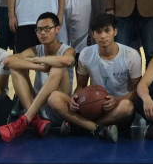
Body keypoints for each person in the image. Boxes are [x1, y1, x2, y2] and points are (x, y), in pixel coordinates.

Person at [47, 14, 141, 142]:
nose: (103, 36)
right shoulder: (86, 54)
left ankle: (80, 126)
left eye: (107, 31)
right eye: (98, 32)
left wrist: (116, 100)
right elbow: (81, 85)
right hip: (91, 105)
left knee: (127, 107)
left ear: (115, 31)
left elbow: (137, 91)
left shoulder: (131, 55)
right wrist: (76, 97)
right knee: (54, 98)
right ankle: (96, 128)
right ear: (93, 34)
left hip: (116, 109)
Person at [0, 12, 75, 142]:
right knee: (16, 68)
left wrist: (37, 59)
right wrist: (40, 67)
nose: (42, 33)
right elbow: (8, 60)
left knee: (57, 67)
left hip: (59, 106)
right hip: (38, 108)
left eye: (47, 28)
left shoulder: (67, 50)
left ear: (57, 29)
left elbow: (67, 60)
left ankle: (25, 119)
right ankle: (33, 119)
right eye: (39, 30)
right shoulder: (35, 50)